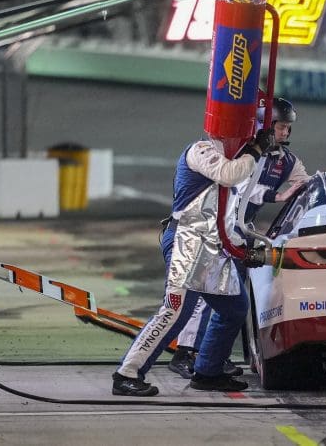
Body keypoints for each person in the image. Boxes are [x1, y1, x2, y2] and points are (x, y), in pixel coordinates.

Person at [111, 128, 276, 396]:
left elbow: (229, 216)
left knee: (235, 308)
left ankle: (208, 372)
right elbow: (229, 175)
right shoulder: (201, 150)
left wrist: (241, 250)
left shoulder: (236, 159)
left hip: (212, 247)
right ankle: (126, 374)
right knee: (175, 311)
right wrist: (256, 151)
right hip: (186, 241)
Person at [168, 98, 308, 378]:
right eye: (280, 127)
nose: (285, 133)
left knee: (232, 297)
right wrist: (276, 196)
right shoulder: (243, 153)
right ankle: (186, 353)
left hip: (241, 233)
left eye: (287, 128)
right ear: (263, 127)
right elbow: (239, 188)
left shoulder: (288, 161)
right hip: (215, 230)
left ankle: (213, 354)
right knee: (203, 296)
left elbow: (304, 182)